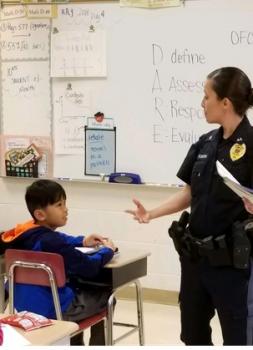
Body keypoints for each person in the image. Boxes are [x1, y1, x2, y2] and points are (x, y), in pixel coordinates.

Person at [126, 67, 253, 345]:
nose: (202, 103)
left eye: (206, 96)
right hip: (195, 261)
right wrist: (151, 213)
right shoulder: (205, 143)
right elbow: (189, 194)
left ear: (225, 103)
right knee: (193, 336)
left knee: (237, 339)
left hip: (232, 265)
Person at [1, 179, 117, 345]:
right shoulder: (52, 242)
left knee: (78, 288)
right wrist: (108, 251)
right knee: (107, 297)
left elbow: (61, 239)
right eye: (59, 205)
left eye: (65, 203)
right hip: (55, 310)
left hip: (24, 310)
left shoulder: (23, 235)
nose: (66, 209)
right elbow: (88, 267)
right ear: (40, 214)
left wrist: (82, 241)